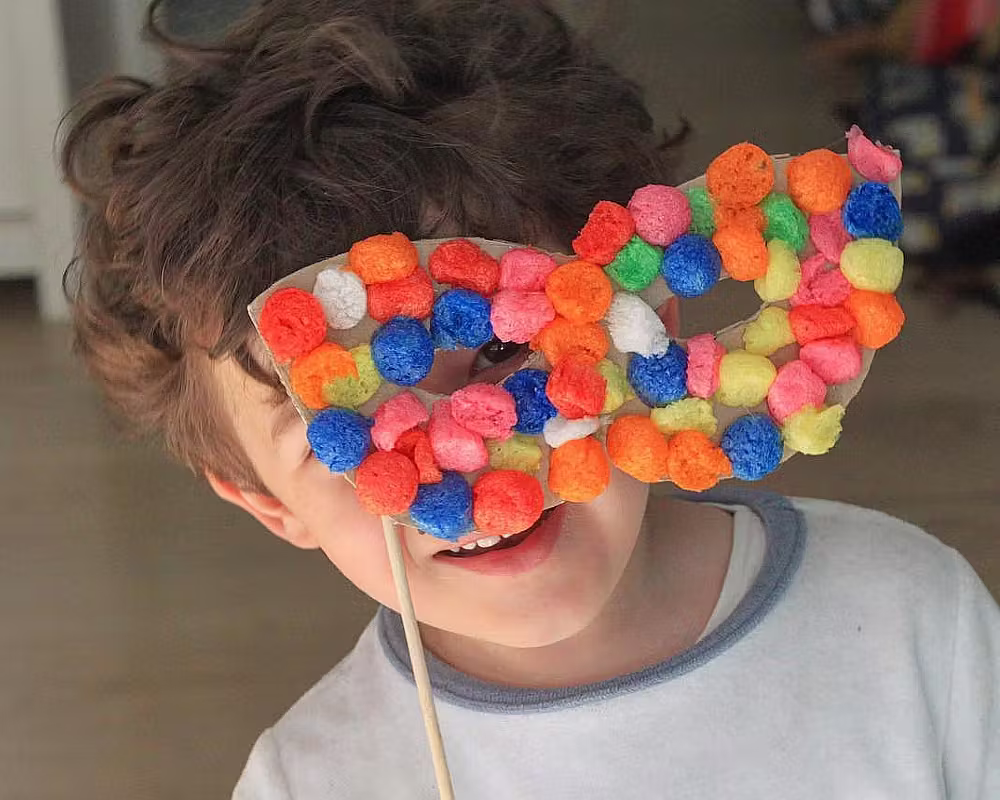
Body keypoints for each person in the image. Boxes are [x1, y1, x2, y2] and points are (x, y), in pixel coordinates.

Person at [61, 1, 1000, 797]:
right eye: (347, 428)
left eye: (506, 350)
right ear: (267, 501)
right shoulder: (310, 782)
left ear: (646, 327)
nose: (467, 461)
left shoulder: (913, 622)